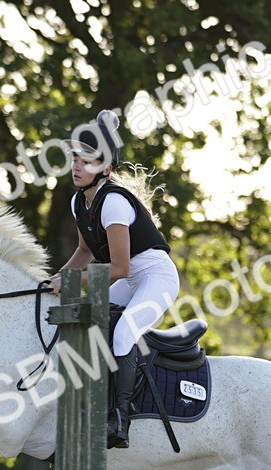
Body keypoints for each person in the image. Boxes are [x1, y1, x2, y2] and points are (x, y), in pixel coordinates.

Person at [49, 110, 180, 449]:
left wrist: (73, 282)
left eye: (87, 161)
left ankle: (119, 419)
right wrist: (55, 279)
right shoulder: (79, 202)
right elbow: (83, 252)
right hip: (130, 275)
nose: (77, 166)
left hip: (155, 275)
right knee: (91, 322)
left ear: (106, 169)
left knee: (123, 334)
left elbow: (119, 267)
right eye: (75, 159)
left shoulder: (114, 203)